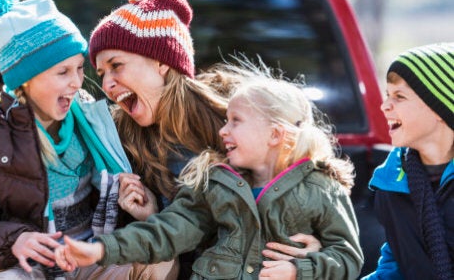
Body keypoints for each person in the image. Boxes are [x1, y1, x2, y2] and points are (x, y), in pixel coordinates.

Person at [87, 0, 321, 277]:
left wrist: (316, 245)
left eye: (116, 66)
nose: (107, 83)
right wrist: (152, 217)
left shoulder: (237, 115)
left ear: (162, 63)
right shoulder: (120, 141)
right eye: (101, 73)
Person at [0, 0, 177, 279]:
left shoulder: (95, 122)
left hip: (90, 256)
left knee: (160, 258)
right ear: (25, 80)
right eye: (62, 72)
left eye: (79, 69)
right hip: (32, 269)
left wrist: (140, 208)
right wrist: (15, 240)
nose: (77, 82)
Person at [54, 61, 364, 279]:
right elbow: (168, 232)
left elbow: (348, 258)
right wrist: (100, 251)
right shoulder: (215, 183)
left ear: (275, 134)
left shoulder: (321, 188)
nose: (223, 131)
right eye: (226, 120)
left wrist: (301, 271)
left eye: (236, 122)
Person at [362, 43, 454, 280]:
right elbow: (399, 263)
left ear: (439, 109)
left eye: (399, 96)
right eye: (387, 95)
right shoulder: (393, 181)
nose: (384, 106)